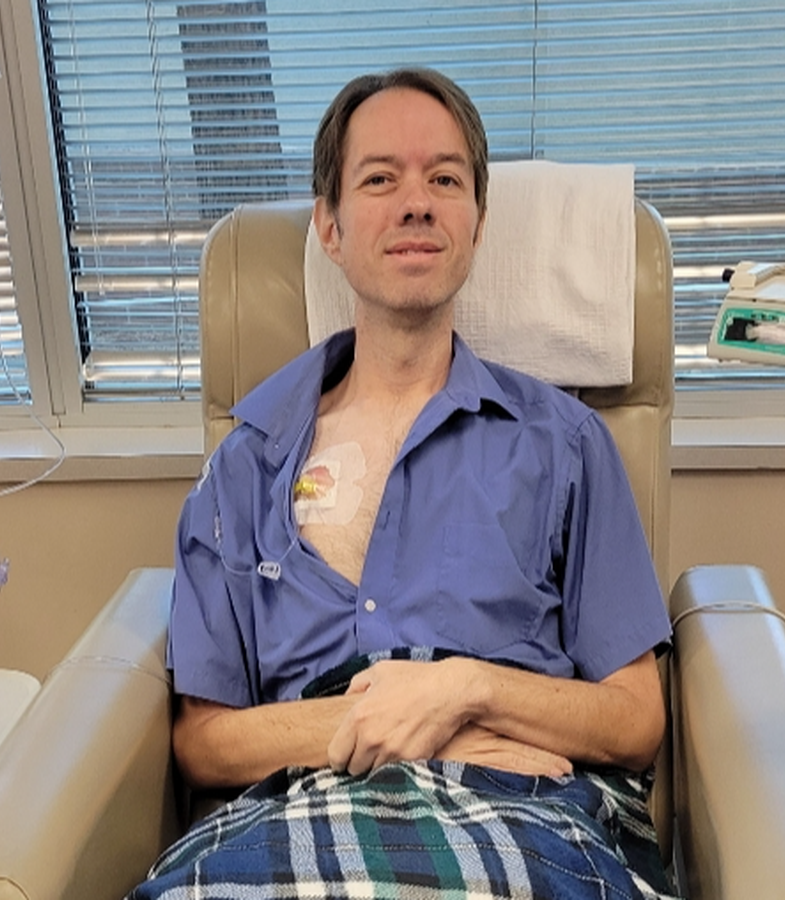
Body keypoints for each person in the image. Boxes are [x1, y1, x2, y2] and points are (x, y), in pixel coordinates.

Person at [133, 67, 676, 900]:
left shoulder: (564, 443)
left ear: (477, 222)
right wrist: (395, 724)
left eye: (446, 180)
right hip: (295, 816)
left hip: (520, 815)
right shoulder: (246, 465)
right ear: (330, 225)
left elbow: (636, 719)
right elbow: (204, 741)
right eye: (380, 179)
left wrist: (465, 690)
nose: (417, 203)